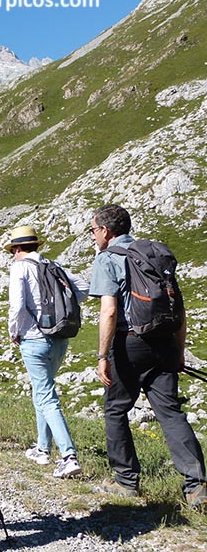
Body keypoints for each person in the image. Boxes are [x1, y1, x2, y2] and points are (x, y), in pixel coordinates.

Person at [88, 204, 206, 506]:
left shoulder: (108, 258)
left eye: (93, 230)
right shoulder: (154, 254)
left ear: (106, 231)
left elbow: (109, 311)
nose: (93, 236)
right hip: (164, 341)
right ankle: (197, 486)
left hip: (129, 342)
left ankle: (126, 481)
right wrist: (179, 351)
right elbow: (179, 309)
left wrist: (102, 355)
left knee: (116, 410)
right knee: (170, 413)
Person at [6, 225, 88, 479]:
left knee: (46, 396)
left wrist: (13, 331)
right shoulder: (53, 265)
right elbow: (83, 288)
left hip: (33, 339)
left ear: (17, 249)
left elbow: (17, 305)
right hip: (59, 337)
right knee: (42, 392)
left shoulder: (20, 268)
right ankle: (42, 449)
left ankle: (69, 456)